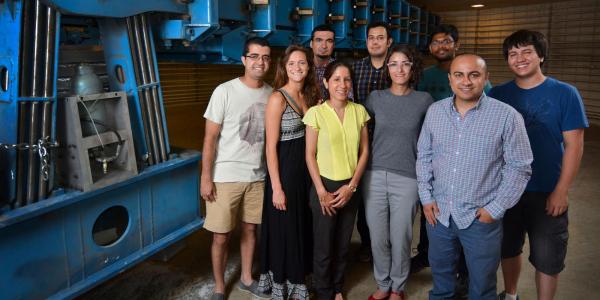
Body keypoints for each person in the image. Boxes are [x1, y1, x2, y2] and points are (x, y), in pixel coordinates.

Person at [416, 54, 533, 300]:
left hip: (480, 220)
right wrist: (426, 198)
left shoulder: (507, 116)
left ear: (486, 78)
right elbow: (424, 156)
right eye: (459, 75)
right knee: (442, 283)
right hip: (439, 217)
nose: (466, 81)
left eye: (474, 74)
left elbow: (519, 167)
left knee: (482, 287)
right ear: (450, 79)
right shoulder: (435, 112)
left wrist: (496, 208)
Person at [490, 30, 589, 300]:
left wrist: (561, 190)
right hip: (507, 189)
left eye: (527, 52)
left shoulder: (565, 94)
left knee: (548, 256)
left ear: (541, 56)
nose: (520, 58)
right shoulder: (498, 94)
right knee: (508, 248)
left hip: (547, 189)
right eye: (513, 54)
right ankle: (510, 295)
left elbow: (574, 146)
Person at [201, 37, 273, 300]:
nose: (260, 62)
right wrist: (206, 177)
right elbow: (209, 138)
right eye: (254, 56)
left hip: (257, 176)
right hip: (225, 176)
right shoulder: (224, 91)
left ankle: (245, 278)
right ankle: (220, 287)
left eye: (265, 57)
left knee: (250, 230)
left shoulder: (271, 93)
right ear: (244, 59)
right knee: (221, 236)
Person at [363, 44, 433, 300]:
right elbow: (357, 129)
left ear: (413, 67)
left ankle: (398, 288)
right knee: (378, 237)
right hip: (374, 176)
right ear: (387, 68)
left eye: (405, 63)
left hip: (408, 177)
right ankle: (383, 284)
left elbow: (433, 141)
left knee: (401, 236)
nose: (399, 69)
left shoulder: (424, 100)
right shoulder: (375, 98)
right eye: (393, 63)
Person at [304, 61, 370, 300]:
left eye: (346, 79)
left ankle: (338, 288)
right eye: (336, 79)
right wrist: (321, 191)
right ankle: (323, 292)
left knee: (342, 244)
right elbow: (309, 155)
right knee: (323, 246)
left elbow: (364, 152)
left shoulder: (359, 111)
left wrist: (352, 186)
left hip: (349, 187)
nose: (342, 85)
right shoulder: (316, 113)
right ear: (326, 82)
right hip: (325, 186)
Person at [258, 45, 320, 300]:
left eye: (302, 63)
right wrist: (277, 188)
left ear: (309, 67)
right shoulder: (277, 98)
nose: (297, 67)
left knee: (301, 226)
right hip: (283, 174)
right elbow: (270, 148)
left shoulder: (309, 95)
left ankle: (300, 279)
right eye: (292, 63)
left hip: (303, 173)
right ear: (284, 67)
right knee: (285, 230)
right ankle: (284, 283)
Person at [351, 21, 393, 262]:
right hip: (360, 142)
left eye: (380, 37)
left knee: (386, 199)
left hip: (389, 144)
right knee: (363, 198)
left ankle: (384, 247)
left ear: (388, 42)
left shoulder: (397, 68)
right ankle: (367, 245)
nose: (375, 41)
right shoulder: (356, 69)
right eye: (371, 37)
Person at [311, 24, 336, 100]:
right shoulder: (303, 67)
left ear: (334, 45)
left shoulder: (340, 69)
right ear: (311, 44)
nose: (324, 46)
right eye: (319, 40)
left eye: (329, 41)